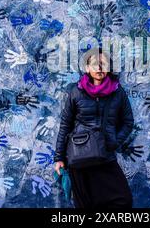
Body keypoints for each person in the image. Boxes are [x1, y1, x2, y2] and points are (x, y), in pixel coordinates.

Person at [53, 49, 134, 208]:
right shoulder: (76, 92)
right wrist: (59, 158)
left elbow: (128, 122)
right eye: (95, 64)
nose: (99, 68)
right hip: (79, 157)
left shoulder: (118, 93)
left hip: (105, 156)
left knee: (123, 201)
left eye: (104, 64)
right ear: (87, 67)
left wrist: (114, 141)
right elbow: (65, 125)